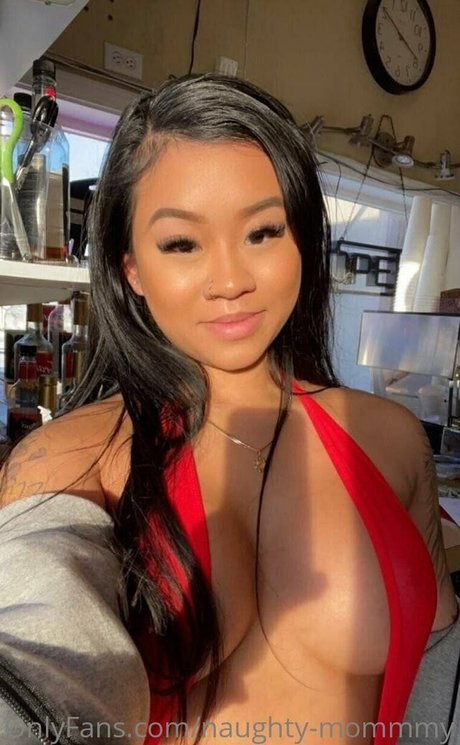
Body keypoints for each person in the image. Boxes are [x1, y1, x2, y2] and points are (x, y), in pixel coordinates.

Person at [0, 73, 459, 745]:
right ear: (131, 268)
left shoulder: (387, 438)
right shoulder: (72, 461)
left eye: (262, 232)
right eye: (181, 243)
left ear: (302, 238)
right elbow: (36, 673)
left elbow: (438, 666)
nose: (231, 280)